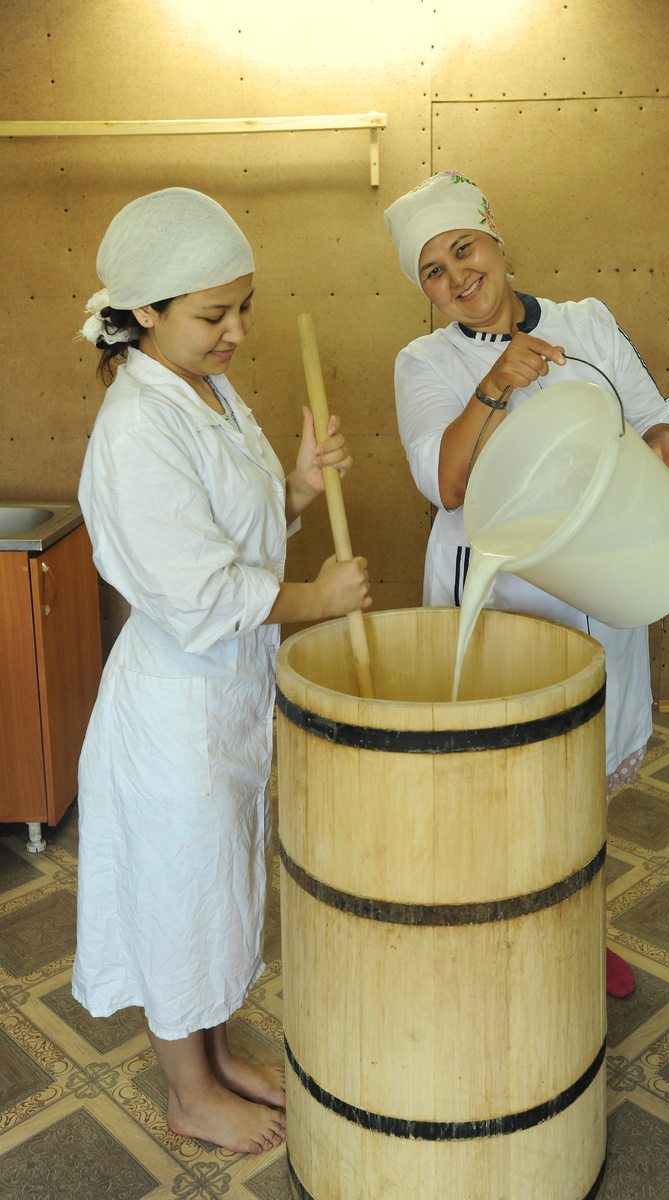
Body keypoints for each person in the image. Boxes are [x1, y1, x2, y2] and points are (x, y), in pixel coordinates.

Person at [73, 187, 371, 1154]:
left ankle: (216, 1052)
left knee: (218, 884)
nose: (239, 330)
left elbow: (234, 537)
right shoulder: (136, 430)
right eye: (214, 314)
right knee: (179, 893)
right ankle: (188, 1090)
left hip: (229, 694)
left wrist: (296, 485)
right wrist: (318, 602)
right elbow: (200, 594)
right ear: (146, 311)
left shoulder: (207, 390)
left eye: (245, 305)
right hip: (177, 708)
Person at [384, 170, 669, 999]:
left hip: (595, 581)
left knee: (575, 793)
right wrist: (497, 386)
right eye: (434, 272)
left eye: (465, 249)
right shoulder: (426, 360)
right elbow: (444, 484)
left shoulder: (586, 320)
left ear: (496, 240)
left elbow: (643, 403)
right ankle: (491, 941)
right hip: (502, 602)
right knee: (496, 792)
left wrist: (666, 438)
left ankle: (574, 937)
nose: (458, 278)